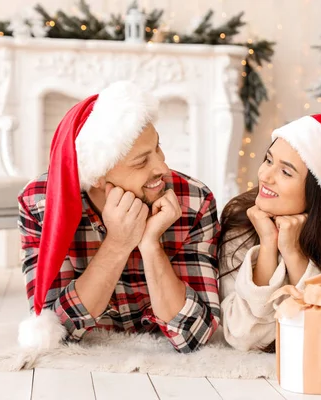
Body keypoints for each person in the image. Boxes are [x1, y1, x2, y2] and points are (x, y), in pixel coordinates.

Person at [17, 81, 220, 353]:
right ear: (99, 175)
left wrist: (151, 245)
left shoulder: (194, 200)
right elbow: (55, 331)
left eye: (158, 148)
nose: (162, 167)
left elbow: (195, 334)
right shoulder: (40, 204)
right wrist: (118, 243)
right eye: (141, 162)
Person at [218, 110, 321, 351]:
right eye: (268, 160)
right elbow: (241, 336)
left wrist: (292, 252)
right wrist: (267, 244)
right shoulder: (240, 219)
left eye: (285, 172)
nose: (265, 176)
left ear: (317, 193)